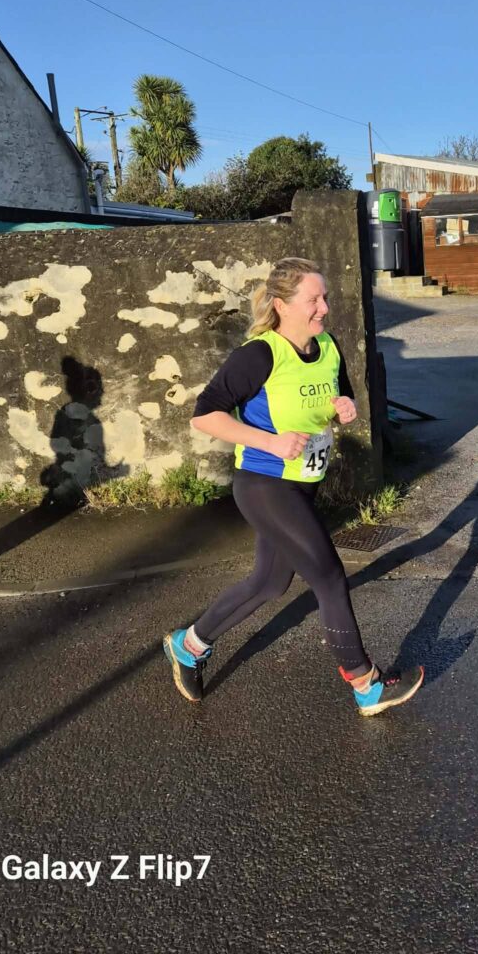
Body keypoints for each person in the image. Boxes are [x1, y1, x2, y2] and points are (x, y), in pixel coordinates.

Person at [162, 257, 423, 716]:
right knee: (327, 575)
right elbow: (205, 415)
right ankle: (365, 682)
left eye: (324, 297)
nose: (324, 307)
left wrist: (344, 409)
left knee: (268, 583)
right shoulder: (259, 354)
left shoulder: (328, 346)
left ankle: (189, 645)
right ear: (282, 305)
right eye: (314, 300)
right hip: (264, 483)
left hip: (303, 484)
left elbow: (339, 402)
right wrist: (270, 441)